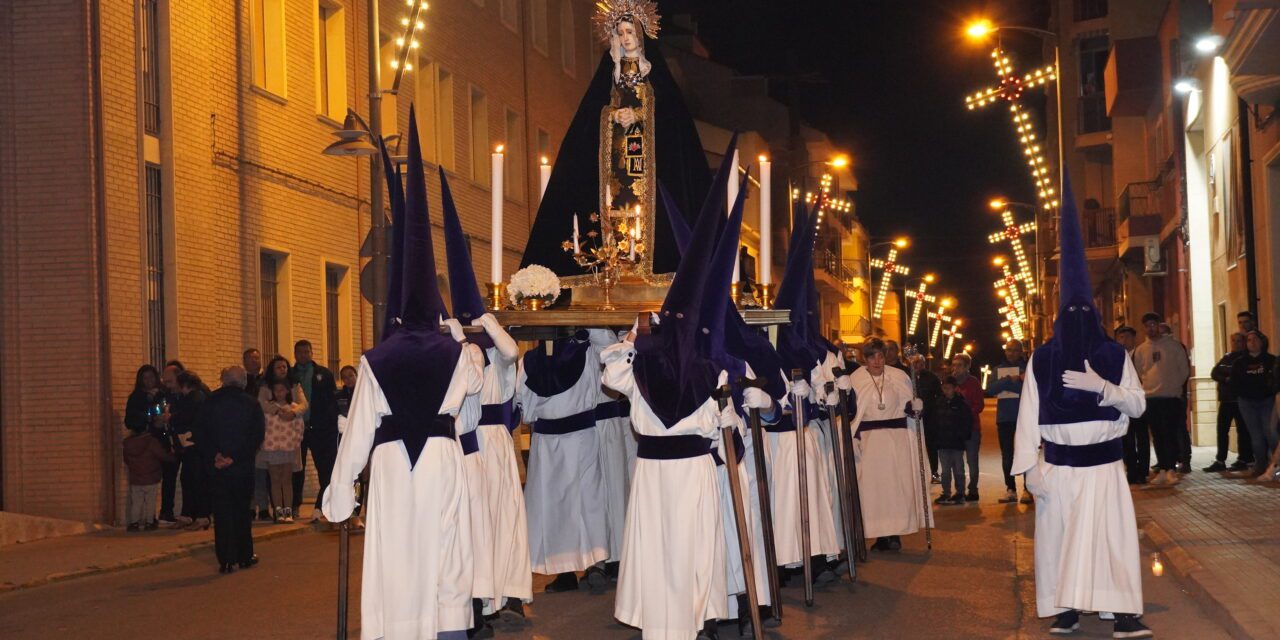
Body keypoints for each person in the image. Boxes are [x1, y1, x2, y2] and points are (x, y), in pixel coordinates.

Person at [324, 111, 483, 640]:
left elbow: (361, 426)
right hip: (440, 457)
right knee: (446, 548)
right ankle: (448, 630)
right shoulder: (454, 353)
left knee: (395, 552)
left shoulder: (376, 359)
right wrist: (458, 337)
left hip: (392, 463)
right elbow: (475, 392)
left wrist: (341, 490)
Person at [1013, 175, 1151, 638]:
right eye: (1068, 315)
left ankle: (1124, 612)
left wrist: (1105, 388)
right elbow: (1028, 417)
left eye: (1083, 314)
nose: (1076, 322)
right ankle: (1066, 608)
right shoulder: (1043, 359)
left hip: (1105, 470)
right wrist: (1029, 470)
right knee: (1059, 542)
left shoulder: (1114, 355)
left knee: (1111, 541)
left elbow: (1138, 406)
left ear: (1093, 314)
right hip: (1061, 471)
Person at [439, 167, 532, 630]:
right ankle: (480, 600)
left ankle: (506, 593)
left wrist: (487, 320)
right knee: (477, 524)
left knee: (503, 520)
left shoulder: (497, 351)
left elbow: (513, 351)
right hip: (468, 445)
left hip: (496, 443)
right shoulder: (461, 353)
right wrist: (458, 337)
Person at [851, 338, 932, 552]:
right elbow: (852, 415)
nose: (877, 361)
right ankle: (879, 535)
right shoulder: (856, 380)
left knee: (896, 489)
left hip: (896, 442)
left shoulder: (899, 376)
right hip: (869, 444)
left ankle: (894, 534)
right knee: (874, 491)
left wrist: (915, 407)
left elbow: (909, 408)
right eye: (871, 356)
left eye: (880, 355)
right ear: (864, 358)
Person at [201, 366, 265, 574]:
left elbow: (201, 432)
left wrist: (216, 455)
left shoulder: (210, 401)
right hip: (241, 467)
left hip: (217, 467)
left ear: (223, 380)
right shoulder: (251, 404)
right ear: (243, 381)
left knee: (222, 513)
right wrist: (234, 457)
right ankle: (245, 555)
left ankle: (226, 560)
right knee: (241, 510)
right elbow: (256, 436)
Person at [1131, 312, 1190, 485]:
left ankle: (1172, 468)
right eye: (1147, 325)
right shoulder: (1141, 350)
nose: (1151, 328)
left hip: (1170, 397)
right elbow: (1138, 372)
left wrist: (1174, 386)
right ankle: (1163, 468)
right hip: (1151, 397)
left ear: (1158, 325)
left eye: (1153, 325)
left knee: (1170, 433)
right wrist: (1147, 387)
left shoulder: (1174, 346)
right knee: (1157, 435)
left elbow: (1184, 369)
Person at [290, 339, 339, 521]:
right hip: (296, 429)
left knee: (324, 467)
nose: (303, 355)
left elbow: (331, 400)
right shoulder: (290, 374)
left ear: (311, 353)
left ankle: (323, 504)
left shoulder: (323, 374)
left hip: (320, 428)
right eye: (299, 352)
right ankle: (295, 504)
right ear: (295, 354)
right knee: (297, 469)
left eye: (306, 351)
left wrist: (331, 424)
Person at [256, 356, 307, 519]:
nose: (282, 369)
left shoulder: (294, 385)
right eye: (279, 367)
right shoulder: (264, 387)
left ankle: (288, 510)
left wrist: (292, 412)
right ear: (272, 369)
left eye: (285, 367)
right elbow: (261, 403)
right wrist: (277, 411)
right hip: (272, 441)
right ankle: (278, 510)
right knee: (274, 478)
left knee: (288, 478)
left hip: (289, 442)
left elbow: (304, 404)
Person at [987, 340, 1031, 504]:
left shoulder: (1028, 368)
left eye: (1014, 350)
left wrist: (1011, 384)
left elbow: (1029, 389)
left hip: (1024, 417)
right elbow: (990, 390)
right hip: (1004, 418)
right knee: (1007, 455)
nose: (1010, 353)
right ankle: (1010, 489)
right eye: (1008, 350)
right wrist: (1010, 380)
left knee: (1026, 452)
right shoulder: (998, 369)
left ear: (1021, 351)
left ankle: (1028, 489)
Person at [1229, 331, 1277, 478]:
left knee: (1270, 433)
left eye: (1255, 339)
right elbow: (1234, 382)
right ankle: (1260, 464)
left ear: (1262, 342)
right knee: (1256, 435)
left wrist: (1269, 391)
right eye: (1249, 340)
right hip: (1247, 402)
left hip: (1267, 401)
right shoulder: (1240, 362)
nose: (1252, 342)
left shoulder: (1271, 360)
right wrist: (1242, 393)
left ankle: (1274, 464)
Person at [1205, 333, 1253, 472]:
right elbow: (1214, 373)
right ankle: (1220, 460)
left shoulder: (1246, 358)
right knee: (1222, 429)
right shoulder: (1227, 357)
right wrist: (1226, 379)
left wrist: (1228, 376)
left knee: (1243, 431)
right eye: (1234, 341)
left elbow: (1240, 376)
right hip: (1226, 400)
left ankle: (1244, 458)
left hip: (1239, 399)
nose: (1236, 343)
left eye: (1239, 341)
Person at [172, 370, 211, 530]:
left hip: (195, 445)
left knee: (196, 480)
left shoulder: (195, 397)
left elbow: (186, 417)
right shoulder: (194, 397)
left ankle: (202, 516)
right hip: (191, 445)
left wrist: (171, 418)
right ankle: (188, 515)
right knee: (188, 479)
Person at [123, 418, 174, 531]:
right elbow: (162, 455)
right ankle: (150, 522)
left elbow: (126, 460)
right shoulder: (151, 441)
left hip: (136, 477)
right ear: (146, 427)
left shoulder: (127, 443)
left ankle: (134, 523)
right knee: (150, 501)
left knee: (136, 502)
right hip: (151, 476)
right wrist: (172, 456)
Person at [932, 376, 972, 506]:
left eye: (949, 388)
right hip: (943, 442)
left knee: (959, 469)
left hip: (956, 443)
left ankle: (960, 493)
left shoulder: (961, 403)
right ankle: (946, 493)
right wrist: (936, 437)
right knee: (945, 470)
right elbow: (935, 421)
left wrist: (963, 436)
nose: (946, 391)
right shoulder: (939, 403)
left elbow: (967, 422)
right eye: (944, 388)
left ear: (955, 388)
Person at [951, 352, 985, 501]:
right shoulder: (951, 383)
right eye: (954, 365)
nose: (956, 368)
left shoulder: (974, 382)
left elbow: (979, 404)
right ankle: (959, 490)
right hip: (955, 430)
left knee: (972, 460)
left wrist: (965, 414)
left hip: (972, 428)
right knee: (956, 460)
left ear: (967, 367)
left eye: (959, 365)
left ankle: (973, 490)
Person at [156, 360, 184, 524]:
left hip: (185, 440)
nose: (167, 385)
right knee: (169, 476)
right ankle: (166, 511)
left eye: (170, 381)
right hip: (169, 440)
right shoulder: (164, 395)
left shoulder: (187, 394)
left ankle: (191, 511)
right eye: (165, 382)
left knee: (189, 477)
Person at [909, 354, 943, 483]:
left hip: (929, 417)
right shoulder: (906, 376)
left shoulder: (931, 377)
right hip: (912, 418)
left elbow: (939, 395)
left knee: (931, 446)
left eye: (920, 363)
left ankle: (934, 472)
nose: (918, 366)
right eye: (915, 363)